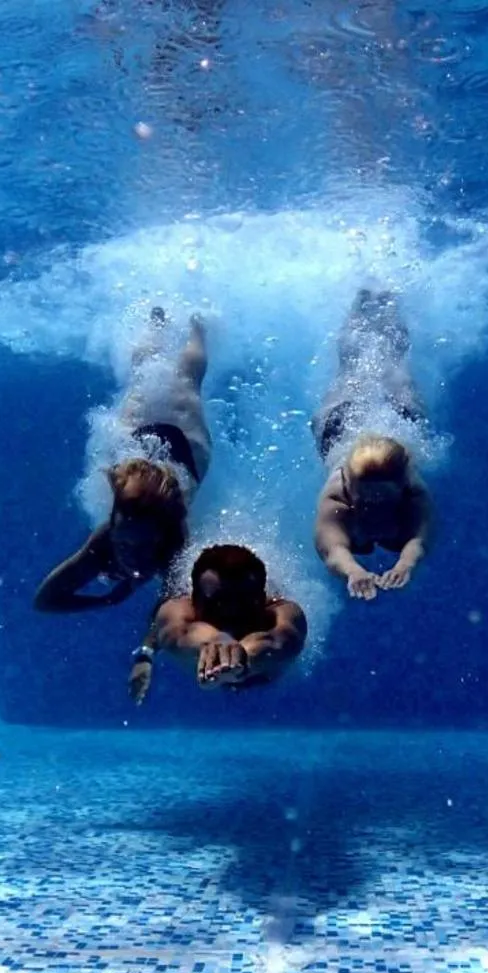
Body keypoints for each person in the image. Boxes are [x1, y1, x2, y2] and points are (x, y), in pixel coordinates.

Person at [34, 309, 212, 612]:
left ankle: (198, 328)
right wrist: (106, 599)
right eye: (125, 544)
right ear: (112, 530)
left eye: (144, 546)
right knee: (155, 377)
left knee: (177, 378)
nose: (134, 557)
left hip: (176, 446)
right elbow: (44, 600)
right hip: (184, 447)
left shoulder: (175, 545)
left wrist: (146, 648)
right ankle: (162, 324)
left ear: (161, 536)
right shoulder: (103, 540)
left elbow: (167, 612)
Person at [310, 289, 435, 600]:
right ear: (350, 485)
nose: (374, 507)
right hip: (342, 421)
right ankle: (360, 302)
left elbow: (421, 537)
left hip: (382, 418)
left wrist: (406, 563)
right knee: (352, 365)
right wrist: (353, 570)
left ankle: (392, 302)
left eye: (382, 499)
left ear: (402, 487)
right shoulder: (337, 494)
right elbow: (331, 547)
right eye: (368, 499)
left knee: (394, 360)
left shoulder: (414, 491)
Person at [130, 544, 307, 703]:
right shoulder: (178, 608)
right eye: (218, 604)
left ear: (262, 600)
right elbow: (177, 630)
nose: (231, 614)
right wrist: (145, 655)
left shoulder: (283, 611)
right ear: (194, 601)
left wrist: (243, 655)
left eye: (243, 603)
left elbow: (276, 641)